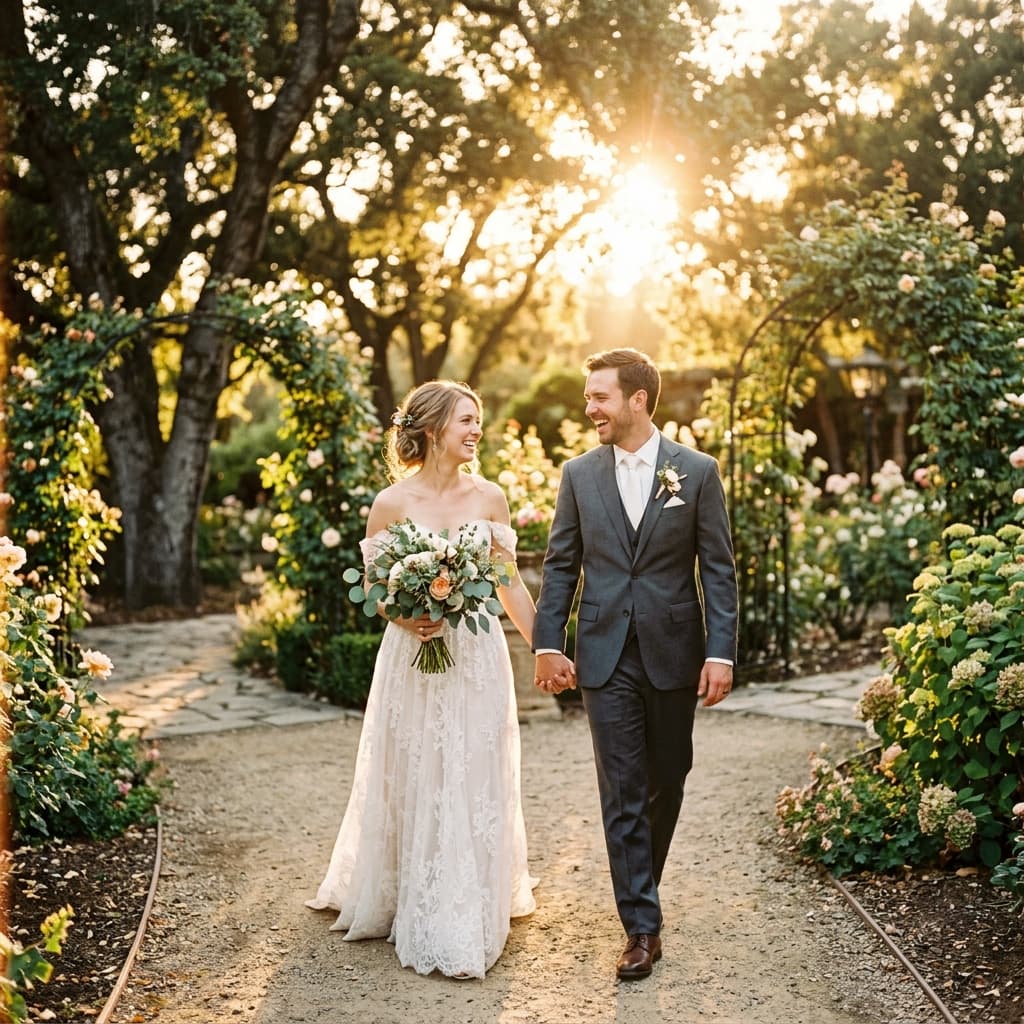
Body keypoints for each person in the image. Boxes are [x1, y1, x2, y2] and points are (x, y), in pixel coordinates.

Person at [306, 380, 565, 979]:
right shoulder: (390, 503)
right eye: (466, 420)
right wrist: (407, 612)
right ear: (430, 429)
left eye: (479, 420)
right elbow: (373, 590)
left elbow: (509, 585)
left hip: (476, 654)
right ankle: (408, 891)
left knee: (473, 766)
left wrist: (547, 650)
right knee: (417, 766)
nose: (476, 430)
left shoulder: (491, 497)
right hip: (412, 658)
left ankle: (469, 896)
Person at [532, 348, 738, 981]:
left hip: (674, 649)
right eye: (589, 396)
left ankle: (641, 882)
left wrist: (720, 650)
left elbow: (719, 568)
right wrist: (548, 641)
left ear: (637, 400)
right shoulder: (578, 474)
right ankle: (641, 926)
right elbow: (562, 562)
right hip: (603, 653)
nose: (589, 407)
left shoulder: (696, 472)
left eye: (599, 397)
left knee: (668, 776)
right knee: (621, 787)